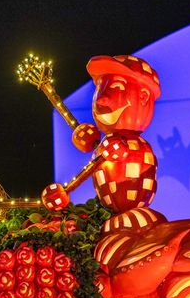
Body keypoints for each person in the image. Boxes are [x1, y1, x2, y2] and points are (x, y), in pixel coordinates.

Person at [41, 55, 161, 223]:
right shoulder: (105, 144)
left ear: (143, 97)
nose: (102, 99)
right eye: (100, 89)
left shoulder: (135, 147)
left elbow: (98, 163)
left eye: (117, 87)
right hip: (109, 216)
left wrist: (67, 189)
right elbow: (96, 157)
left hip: (135, 217)